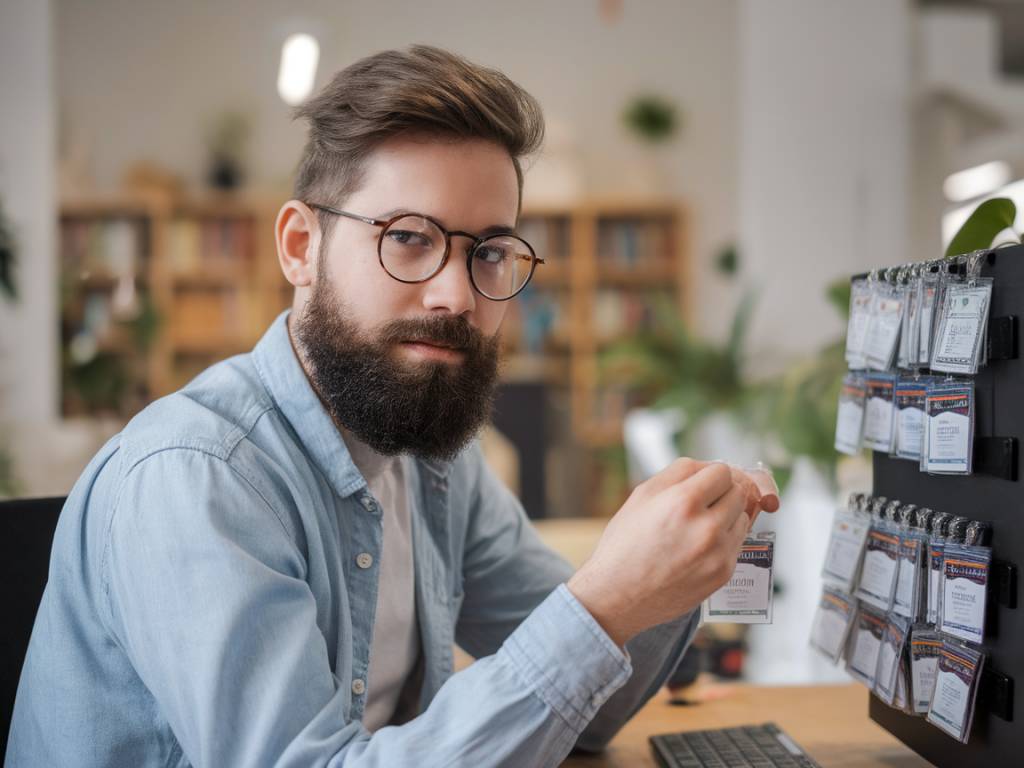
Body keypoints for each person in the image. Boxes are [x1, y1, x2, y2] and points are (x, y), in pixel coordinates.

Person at [6, 45, 779, 767]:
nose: (456, 293)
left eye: (489, 252)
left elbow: (590, 709)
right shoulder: (197, 478)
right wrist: (606, 600)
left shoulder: (436, 459)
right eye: (409, 237)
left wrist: (672, 571)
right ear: (300, 247)